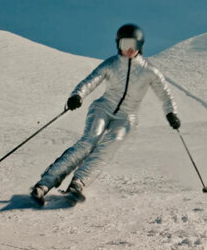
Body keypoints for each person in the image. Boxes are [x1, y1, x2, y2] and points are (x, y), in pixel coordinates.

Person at [30, 24, 181, 206]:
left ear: (141, 45)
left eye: (133, 44)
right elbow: (91, 80)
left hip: (127, 117)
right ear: (118, 45)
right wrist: (77, 95)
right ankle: (44, 184)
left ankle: (78, 183)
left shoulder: (149, 71)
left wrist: (171, 113)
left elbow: (165, 94)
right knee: (89, 141)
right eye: (125, 44)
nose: (129, 49)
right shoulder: (112, 64)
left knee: (110, 145)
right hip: (103, 108)